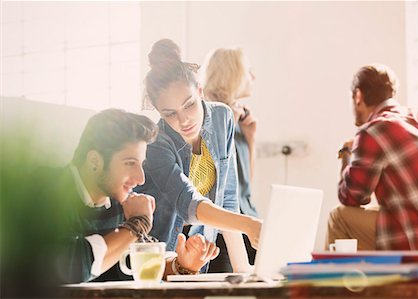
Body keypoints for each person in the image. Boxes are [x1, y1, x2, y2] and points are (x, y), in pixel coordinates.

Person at [1, 109, 219, 297]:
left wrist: (183, 265)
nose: (141, 178)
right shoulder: (47, 189)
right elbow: (72, 265)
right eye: (129, 163)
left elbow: (137, 261)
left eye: (141, 164)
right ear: (95, 161)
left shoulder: (118, 203)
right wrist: (137, 224)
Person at [137, 39, 262, 273]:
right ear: (158, 111)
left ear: (200, 91)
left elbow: (229, 199)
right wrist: (250, 224)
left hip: (199, 249)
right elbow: (187, 203)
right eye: (170, 113)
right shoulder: (156, 143)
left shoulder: (222, 117)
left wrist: (244, 270)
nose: (184, 120)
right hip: (162, 252)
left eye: (189, 105)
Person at [326, 64, 418, 250]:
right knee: (387, 210)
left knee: (340, 217)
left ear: (358, 96)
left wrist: (345, 154)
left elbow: (352, 196)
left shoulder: (373, 130)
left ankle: (334, 278)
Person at [200, 47, 258, 270]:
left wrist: (250, 139)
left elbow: (245, 184)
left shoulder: (242, 116)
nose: (253, 77)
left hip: (247, 217)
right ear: (233, 73)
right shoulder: (208, 115)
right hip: (222, 226)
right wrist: (227, 127)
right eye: (248, 71)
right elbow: (213, 184)